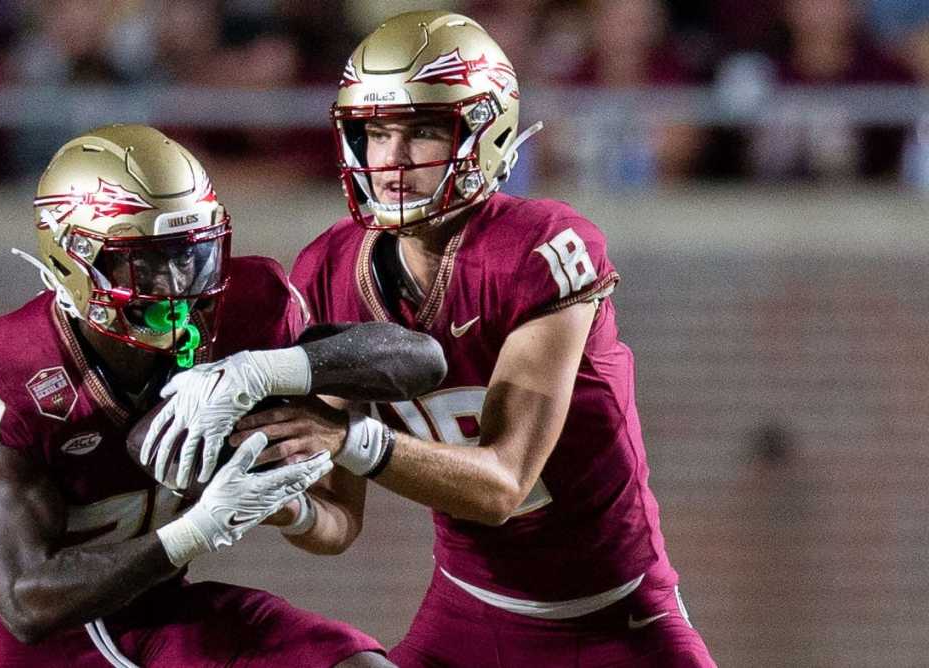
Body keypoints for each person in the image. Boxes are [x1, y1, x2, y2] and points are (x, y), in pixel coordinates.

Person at [152, 11, 717, 667]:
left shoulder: (541, 248)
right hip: (465, 614)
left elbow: (504, 483)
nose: (390, 159)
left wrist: (349, 439)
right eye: (374, 132)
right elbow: (339, 522)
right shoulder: (333, 270)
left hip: (616, 621)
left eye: (421, 131)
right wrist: (266, 495)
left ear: (489, 132)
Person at [0, 124, 445, 667]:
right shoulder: (14, 365)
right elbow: (26, 601)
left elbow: (421, 360)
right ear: (75, 260)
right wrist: (199, 529)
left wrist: (262, 370)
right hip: (40, 643)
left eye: (191, 254)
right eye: (146, 260)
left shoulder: (248, 310)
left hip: (160, 609)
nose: (178, 282)